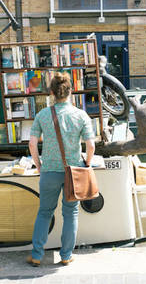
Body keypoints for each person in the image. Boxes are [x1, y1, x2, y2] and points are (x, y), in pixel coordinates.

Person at [27, 72, 95, 267]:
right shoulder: (80, 115)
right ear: (70, 91)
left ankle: (37, 255)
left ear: (51, 93)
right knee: (70, 213)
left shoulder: (42, 115)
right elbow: (91, 146)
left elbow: (32, 144)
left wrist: (39, 166)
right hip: (73, 173)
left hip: (49, 171)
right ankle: (66, 255)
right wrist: (87, 164)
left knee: (44, 212)